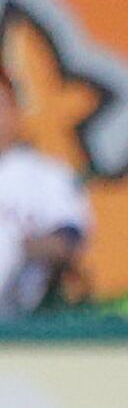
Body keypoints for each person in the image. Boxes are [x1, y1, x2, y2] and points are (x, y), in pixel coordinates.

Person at [0, 57, 90, 320]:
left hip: (23, 317)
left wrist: (19, 247)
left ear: (16, 111)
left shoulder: (46, 175)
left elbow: (68, 241)